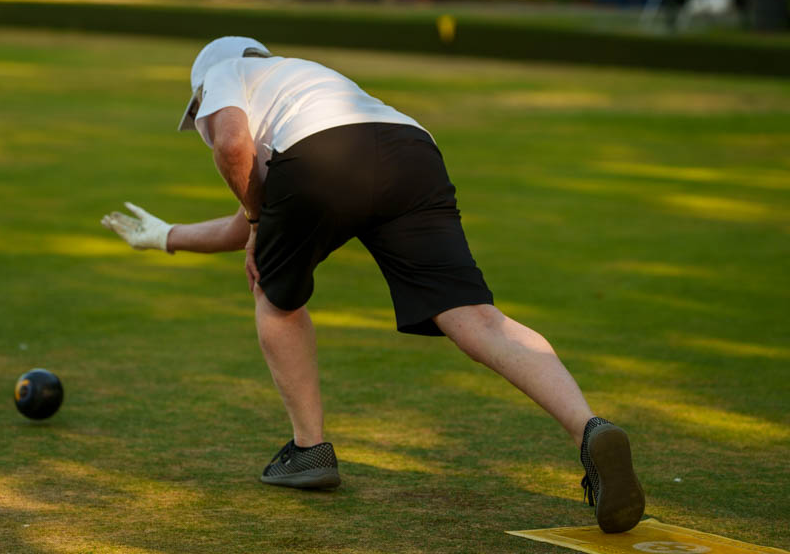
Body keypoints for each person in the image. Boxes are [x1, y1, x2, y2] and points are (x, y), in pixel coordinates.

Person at [101, 36, 645, 533]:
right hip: (411, 150)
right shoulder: (300, 83)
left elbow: (232, 149)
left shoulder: (225, 71)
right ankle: (588, 428)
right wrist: (165, 236)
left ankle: (309, 452)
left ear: (203, 88)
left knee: (274, 294)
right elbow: (256, 210)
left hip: (323, 158)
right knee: (473, 315)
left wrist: (258, 219)